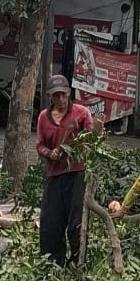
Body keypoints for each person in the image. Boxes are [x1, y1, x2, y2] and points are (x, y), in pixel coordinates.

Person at [35, 75, 94, 266]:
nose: (60, 99)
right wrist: (49, 153)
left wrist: (79, 144)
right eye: (56, 96)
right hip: (55, 173)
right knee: (50, 220)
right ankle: (52, 263)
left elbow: (92, 137)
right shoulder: (44, 117)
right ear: (49, 97)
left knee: (76, 221)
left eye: (63, 95)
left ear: (69, 93)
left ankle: (78, 262)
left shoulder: (82, 113)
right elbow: (39, 145)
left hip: (77, 172)